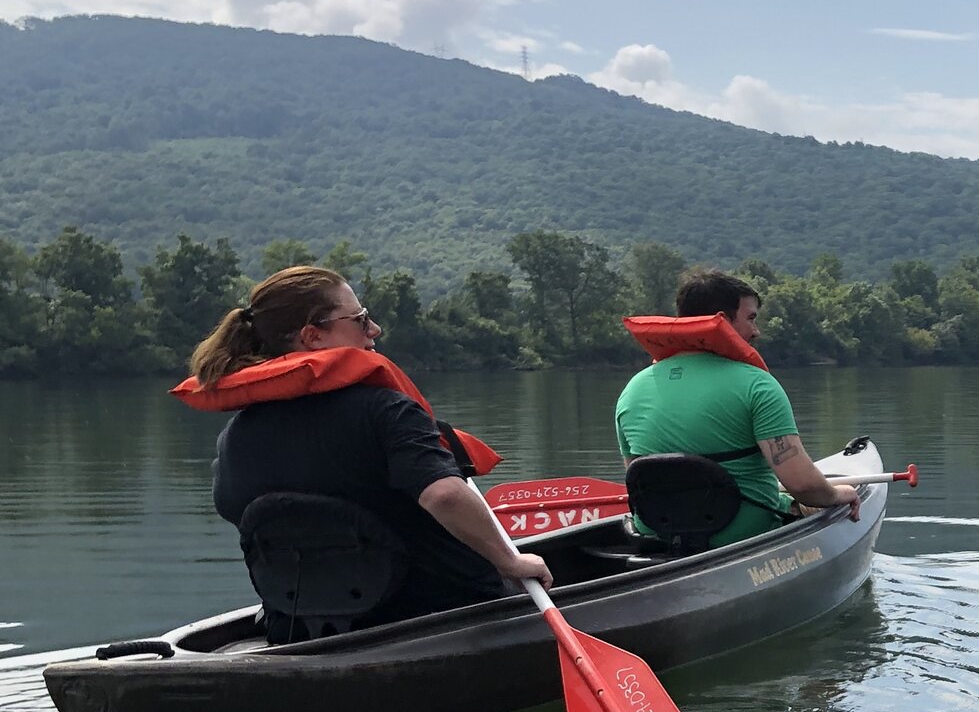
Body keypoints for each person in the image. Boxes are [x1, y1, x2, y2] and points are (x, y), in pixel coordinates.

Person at [188, 266, 552, 634]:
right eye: (360, 319)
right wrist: (510, 561)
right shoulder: (387, 411)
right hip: (446, 615)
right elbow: (444, 495)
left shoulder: (234, 437)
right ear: (312, 335)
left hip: (303, 629)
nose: (374, 329)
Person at [613, 268, 859, 546]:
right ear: (722, 321)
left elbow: (639, 481)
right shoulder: (757, 386)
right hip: (742, 530)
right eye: (751, 318)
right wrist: (840, 494)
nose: (756, 331)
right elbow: (802, 485)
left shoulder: (632, 390)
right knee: (807, 501)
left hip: (658, 534)